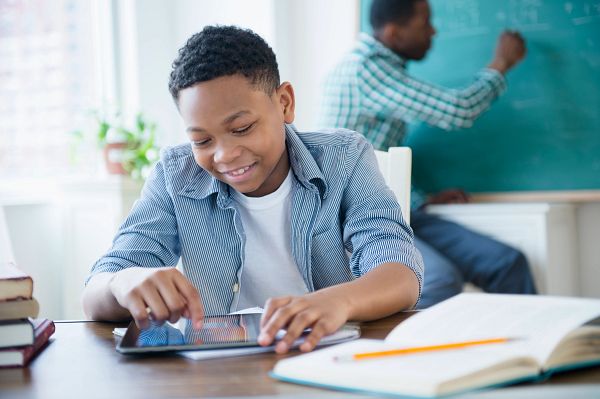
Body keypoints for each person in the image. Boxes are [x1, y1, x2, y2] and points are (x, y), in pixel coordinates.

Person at [82, 25, 424, 354]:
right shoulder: (175, 177)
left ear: (285, 103)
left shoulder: (345, 159)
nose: (224, 154)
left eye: (242, 128)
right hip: (222, 371)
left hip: (327, 359)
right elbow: (96, 290)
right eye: (201, 140)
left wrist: (339, 300)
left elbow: (400, 272)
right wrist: (121, 282)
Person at [320, 0, 537, 308]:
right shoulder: (366, 69)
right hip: (356, 218)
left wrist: (421, 199)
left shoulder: (380, 68)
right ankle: (398, 352)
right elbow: (458, 109)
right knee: (439, 280)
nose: (433, 31)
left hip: (399, 207)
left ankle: (532, 352)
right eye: (424, 23)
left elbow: (376, 159)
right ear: (394, 33)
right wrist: (501, 62)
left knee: (507, 262)